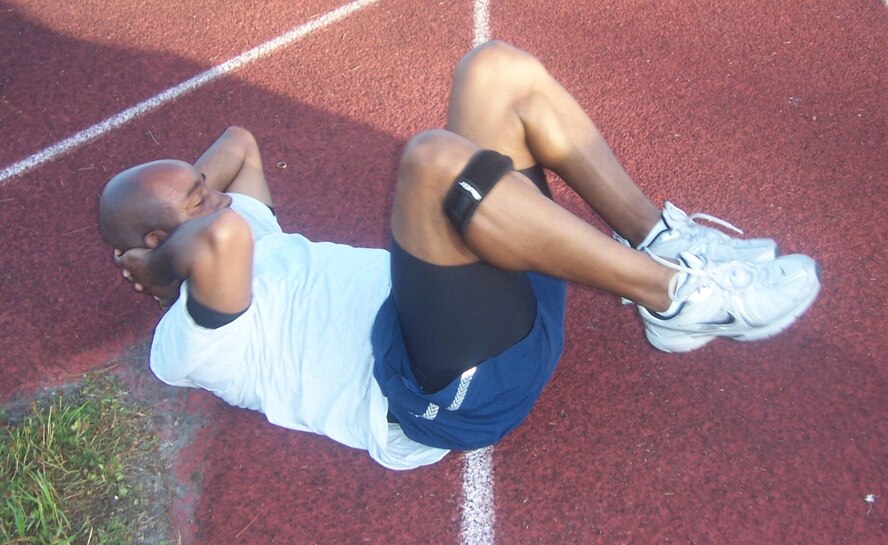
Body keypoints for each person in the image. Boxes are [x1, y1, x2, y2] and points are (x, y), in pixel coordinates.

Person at [99, 41, 820, 470]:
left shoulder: (237, 224)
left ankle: (659, 240)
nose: (220, 200)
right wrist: (160, 269)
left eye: (207, 192)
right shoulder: (188, 339)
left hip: (491, 308)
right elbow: (218, 242)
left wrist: (178, 211)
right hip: (441, 392)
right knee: (434, 164)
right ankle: (678, 296)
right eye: (198, 201)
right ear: (165, 252)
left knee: (492, 70)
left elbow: (238, 143)